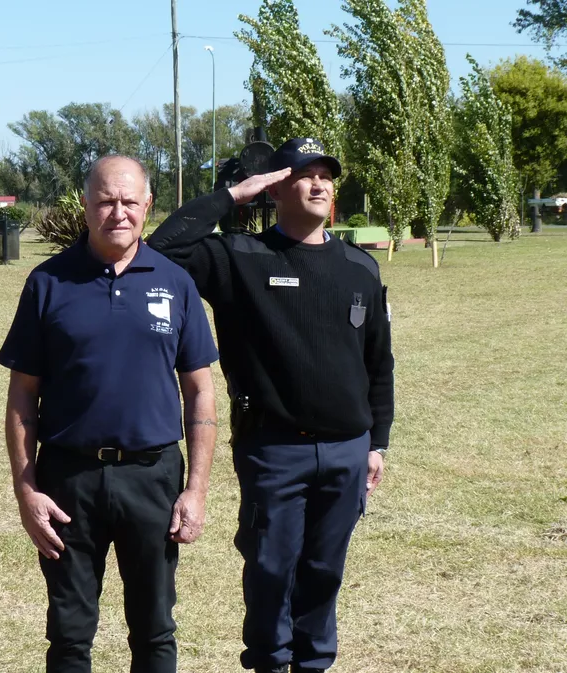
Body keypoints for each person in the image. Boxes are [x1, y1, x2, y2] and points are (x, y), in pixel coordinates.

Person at [146, 138, 395, 673]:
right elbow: (163, 249)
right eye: (304, 174)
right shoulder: (240, 257)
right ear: (277, 185)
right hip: (274, 451)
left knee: (325, 571)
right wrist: (235, 194)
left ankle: (314, 664)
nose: (319, 184)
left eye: (326, 175)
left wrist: (378, 443)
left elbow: (379, 363)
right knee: (269, 570)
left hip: (348, 451)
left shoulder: (361, 269)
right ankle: (268, 663)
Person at [0, 155, 220, 673]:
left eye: (128, 201)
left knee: (155, 631)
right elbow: (21, 397)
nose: (117, 212)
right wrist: (26, 489)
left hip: (153, 477)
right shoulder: (48, 282)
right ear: (86, 204)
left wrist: (197, 489)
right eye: (104, 200)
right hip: (68, 480)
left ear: (147, 205)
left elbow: (201, 393)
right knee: (71, 636)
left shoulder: (175, 281)